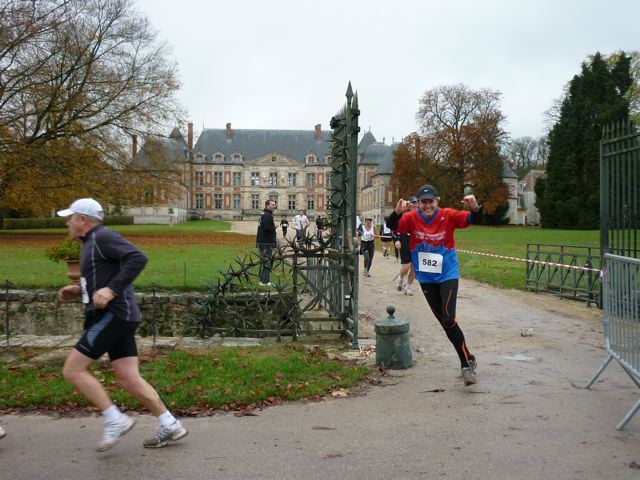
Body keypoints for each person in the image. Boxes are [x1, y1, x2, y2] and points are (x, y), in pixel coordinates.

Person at [56, 198, 187, 452]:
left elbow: (137, 258)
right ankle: (170, 423)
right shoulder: (90, 243)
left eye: (70, 217)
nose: (67, 222)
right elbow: (102, 275)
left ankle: (115, 419)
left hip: (113, 315)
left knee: (73, 370)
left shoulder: (102, 237)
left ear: (82, 219)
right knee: (128, 377)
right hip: (120, 315)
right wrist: (78, 289)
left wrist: (111, 290)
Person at [387, 184, 481, 386]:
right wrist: (397, 212)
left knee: (448, 317)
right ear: (418, 203)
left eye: (431, 201)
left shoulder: (448, 215)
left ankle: (466, 365)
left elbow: (473, 219)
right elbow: (392, 226)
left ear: (437, 201)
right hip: (427, 278)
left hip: (447, 274)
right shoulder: (411, 218)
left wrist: (474, 207)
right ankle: (469, 358)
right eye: (423, 202)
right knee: (446, 324)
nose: (427, 205)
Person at [396, 196, 418, 296]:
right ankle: (400, 278)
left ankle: (408, 287)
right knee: (406, 266)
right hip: (404, 242)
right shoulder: (403, 215)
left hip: (416, 245)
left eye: (416, 203)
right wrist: (397, 240)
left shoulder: (421, 216)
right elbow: (394, 228)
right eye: (413, 203)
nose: (415, 205)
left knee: (414, 268)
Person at [257, 200, 277, 286]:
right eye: (272, 205)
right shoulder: (267, 215)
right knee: (267, 262)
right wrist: (274, 227)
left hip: (263, 242)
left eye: (274, 205)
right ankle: (265, 281)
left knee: (264, 261)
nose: (274, 206)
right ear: (267, 206)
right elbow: (267, 228)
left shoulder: (265, 215)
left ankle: (262, 280)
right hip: (266, 242)